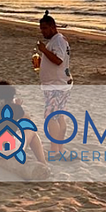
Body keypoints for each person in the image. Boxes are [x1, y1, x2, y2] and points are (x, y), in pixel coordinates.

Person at [0, 81, 48, 165]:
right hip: (10, 149)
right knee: (31, 131)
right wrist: (18, 106)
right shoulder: (15, 108)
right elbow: (27, 119)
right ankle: (43, 162)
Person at [37, 12, 72, 143]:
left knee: (51, 116)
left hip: (56, 84)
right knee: (59, 116)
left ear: (53, 27)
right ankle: (59, 148)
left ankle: (55, 148)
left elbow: (58, 60)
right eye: (41, 29)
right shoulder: (56, 40)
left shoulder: (58, 40)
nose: (43, 31)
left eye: (45, 28)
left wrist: (44, 50)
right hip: (58, 82)